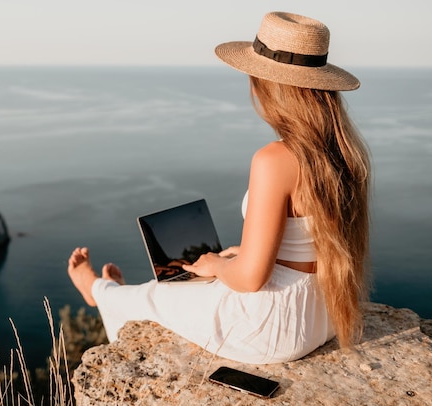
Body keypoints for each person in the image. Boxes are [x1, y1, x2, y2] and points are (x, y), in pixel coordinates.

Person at [67, 11, 370, 364]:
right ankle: (112, 292)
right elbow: (309, 244)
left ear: (269, 85)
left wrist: (217, 265)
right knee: (204, 272)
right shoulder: (345, 154)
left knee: (156, 295)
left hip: (274, 328)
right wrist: (239, 253)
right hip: (325, 316)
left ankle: (97, 291)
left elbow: (251, 279)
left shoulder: (275, 160)